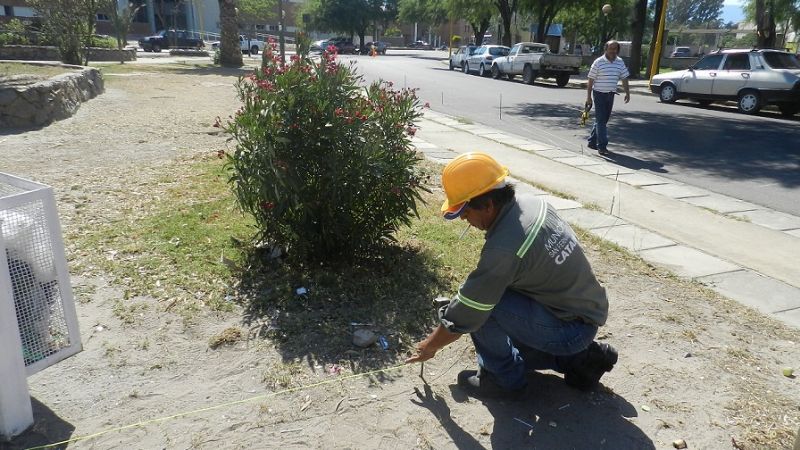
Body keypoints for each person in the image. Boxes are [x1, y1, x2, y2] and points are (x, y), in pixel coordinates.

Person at [405, 152, 617, 399]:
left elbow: (469, 310)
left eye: (465, 211)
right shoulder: (532, 204)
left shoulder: (505, 249)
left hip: (570, 328)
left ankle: (503, 379)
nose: (464, 218)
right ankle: (581, 360)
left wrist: (431, 346)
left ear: (488, 205)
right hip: (584, 311)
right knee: (507, 335)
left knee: (488, 310)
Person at [586, 40, 630, 156]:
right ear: (606, 49)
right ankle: (602, 146)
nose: (613, 51)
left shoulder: (620, 62)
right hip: (599, 94)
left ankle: (591, 141)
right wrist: (589, 97)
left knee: (603, 120)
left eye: (615, 49)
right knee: (601, 121)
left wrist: (627, 92)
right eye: (611, 48)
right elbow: (590, 80)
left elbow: (624, 78)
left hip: (611, 94)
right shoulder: (598, 62)